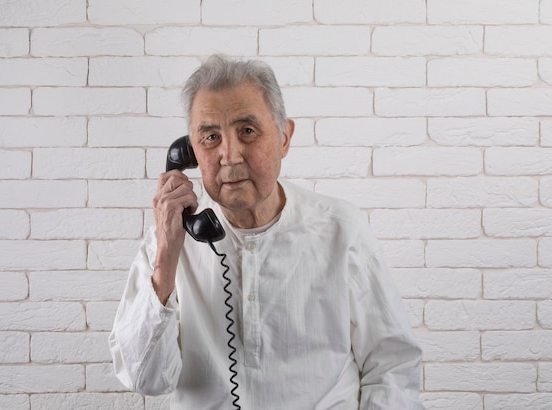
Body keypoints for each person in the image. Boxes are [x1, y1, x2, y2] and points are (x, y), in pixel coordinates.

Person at [109, 54, 424, 409]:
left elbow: (392, 366)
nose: (229, 155)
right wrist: (167, 256)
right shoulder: (169, 241)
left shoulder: (343, 230)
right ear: (190, 152)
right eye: (211, 137)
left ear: (284, 138)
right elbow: (144, 379)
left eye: (247, 131)